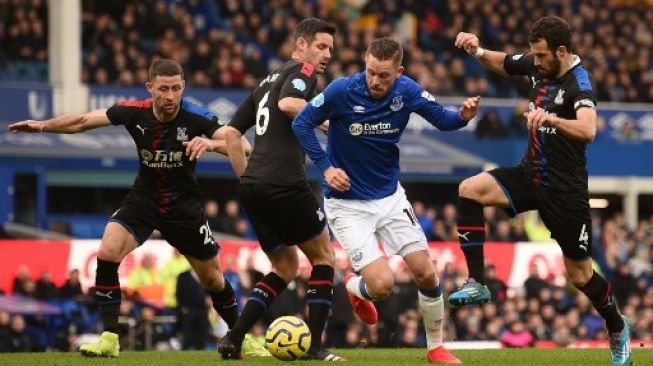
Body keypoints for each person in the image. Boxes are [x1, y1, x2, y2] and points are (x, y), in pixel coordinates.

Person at [8, 58, 255, 358]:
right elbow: (84, 121)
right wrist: (43, 126)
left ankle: (240, 335)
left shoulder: (197, 117)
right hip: (144, 199)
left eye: (176, 89)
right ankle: (110, 338)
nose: (170, 96)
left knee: (212, 279)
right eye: (163, 89)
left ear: (183, 88)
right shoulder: (132, 112)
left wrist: (210, 144)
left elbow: (243, 147)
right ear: (150, 87)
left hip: (184, 207)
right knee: (107, 251)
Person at [452, 16, 631, 365]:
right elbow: (503, 63)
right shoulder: (539, 65)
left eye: (541, 56)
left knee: (580, 276)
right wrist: (477, 51)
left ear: (561, 51)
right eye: (533, 56)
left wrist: (552, 119)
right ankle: (476, 280)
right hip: (529, 175)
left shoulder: (580, 83)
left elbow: (589, 129)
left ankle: (616, 325)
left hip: (566, 193)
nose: (534, 62)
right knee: (469, 189)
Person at [293, 37, 480, 364]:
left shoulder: (407, 90)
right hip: (347, 204)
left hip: (391, 197)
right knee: (382, 286)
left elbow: (442, 119)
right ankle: (355, 287)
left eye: (384, 75)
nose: (375, 81)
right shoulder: (341, 91)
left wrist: (463, 116)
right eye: (371, 73)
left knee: (426, 273)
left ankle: (435, 348)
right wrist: (326, 167)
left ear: (399, 72)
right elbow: (302, 122)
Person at [218, 18, 344, 361]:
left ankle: (234, 336)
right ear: (300, 44)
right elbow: (290, 105)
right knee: (324, 258)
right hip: (286, 183)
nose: (327, 54)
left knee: (285, 266)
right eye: (321, 46)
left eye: (330, 49)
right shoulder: (303, 71)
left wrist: (246, 179)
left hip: (254, 187)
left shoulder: (266, 81)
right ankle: (315, 346)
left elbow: (230, 134)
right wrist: (330, 123)